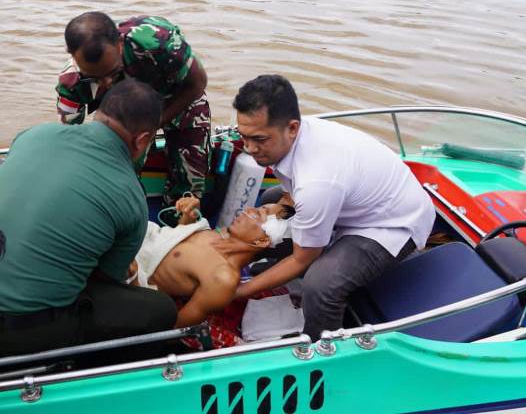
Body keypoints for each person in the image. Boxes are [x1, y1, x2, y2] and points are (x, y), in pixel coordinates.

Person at [232, 74, 436, 340]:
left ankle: (321, 349)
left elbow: (302, 257)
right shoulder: (293, 139)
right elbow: (290, 197)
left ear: (292, 128)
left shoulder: (317, 181)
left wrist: (239, 292)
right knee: (271, 201)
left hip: (389, 223)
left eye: (259, 139)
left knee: (320, 284)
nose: (249, 148)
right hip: (347, 202)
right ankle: (280, 263)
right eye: (243, 137)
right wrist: (274, 214)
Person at [0, 79, 177, 356]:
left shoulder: (33, 134)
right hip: (19, 332)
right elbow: (102, 281)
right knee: (160, 309)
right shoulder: (130, 196)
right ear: (143, 139)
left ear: (98, 113)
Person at [56, 12, 211, 204]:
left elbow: (197, 83)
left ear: (120, 43)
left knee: (189, 184)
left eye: (113, 72)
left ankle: (179, 224)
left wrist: (154, 124)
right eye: (96, 78)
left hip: (177, 97)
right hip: (125, 116)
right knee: (119, 180)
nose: (107, 82)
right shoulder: (72, 81)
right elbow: (70, 138)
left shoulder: (161, 44)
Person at [132, 197, 293, 328]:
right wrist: (188, 215)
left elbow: (176, 330)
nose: (248, 209)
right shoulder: (218, 234)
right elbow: (174, 247)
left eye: (258, 214)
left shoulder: (222, 278)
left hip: (129, 271)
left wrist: (132, 279)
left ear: (262, 241)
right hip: (136, 236)